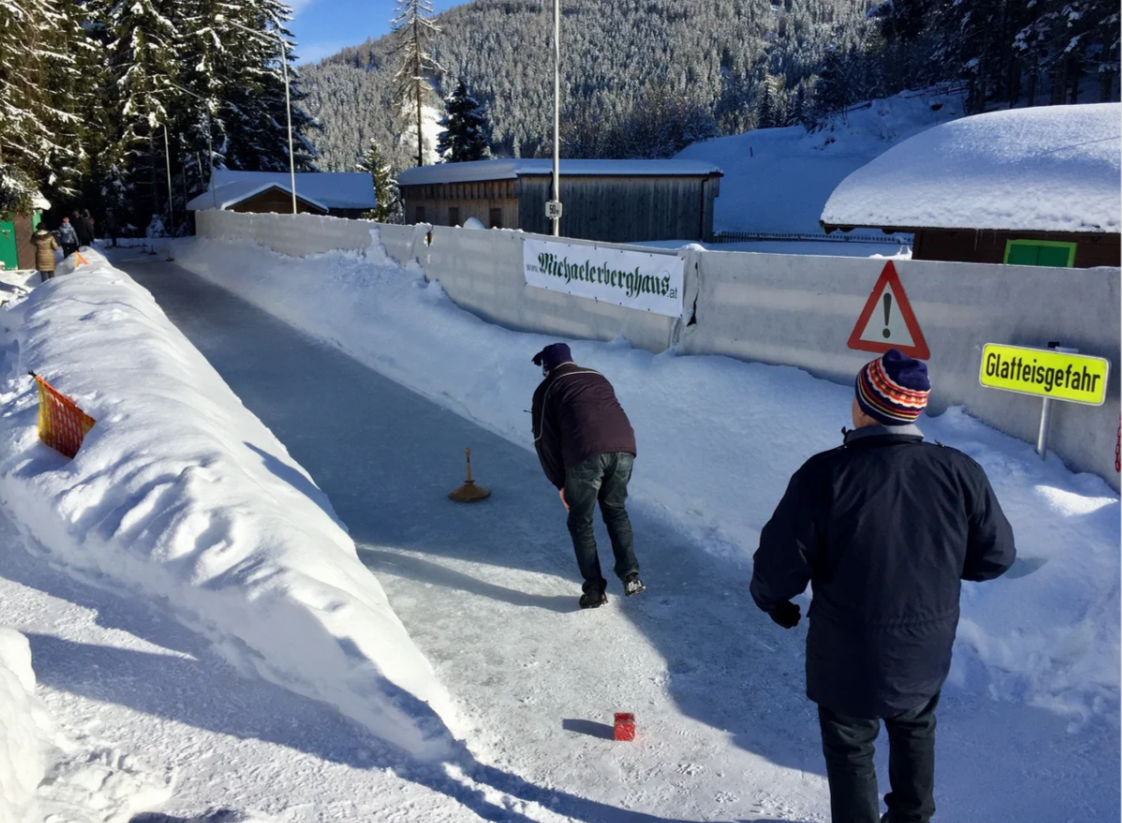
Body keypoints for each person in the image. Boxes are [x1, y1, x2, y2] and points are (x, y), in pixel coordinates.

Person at [750, 349, 1016, 823]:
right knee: (915, 726)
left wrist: (772, 601)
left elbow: (780, 562)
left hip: (847, 651)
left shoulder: (826, 475)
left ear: (864, 406)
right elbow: (995, 556)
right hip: (925, 645)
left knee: (851, 746)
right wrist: (939, 567)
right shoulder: (959, 471)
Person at [530, 343, 645, 609]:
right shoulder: (596, 376)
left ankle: (594, 589)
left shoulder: (547, 388)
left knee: (580, 521)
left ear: (547, 368)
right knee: (615, 510)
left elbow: (544, 440)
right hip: (624, 448)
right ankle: (630, 576)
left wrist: (560, 482)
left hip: (585, 454)